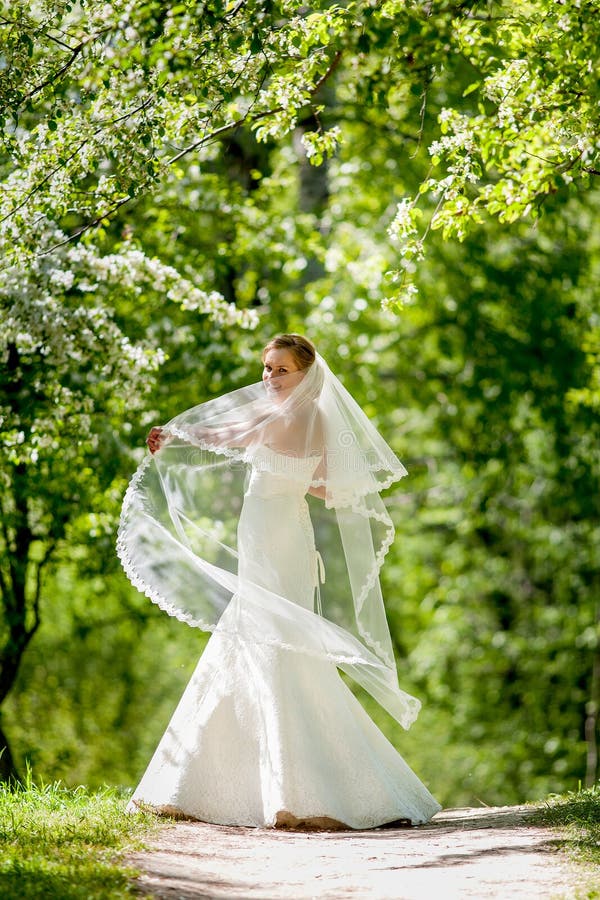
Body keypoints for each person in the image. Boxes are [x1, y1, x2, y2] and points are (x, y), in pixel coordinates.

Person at [118, 334, 440, 829]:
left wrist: (183, 439)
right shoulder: (304, 417)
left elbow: (237, 441)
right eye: (267, 369)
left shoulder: (290, 416)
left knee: (273, 641)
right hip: (277, 534)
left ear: (306, 373)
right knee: (262, 639)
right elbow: (318, 480)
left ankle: (285, 791)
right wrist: (186, 441)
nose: (269, 378)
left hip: (280, 539)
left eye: (280, 370)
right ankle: (242, 782)